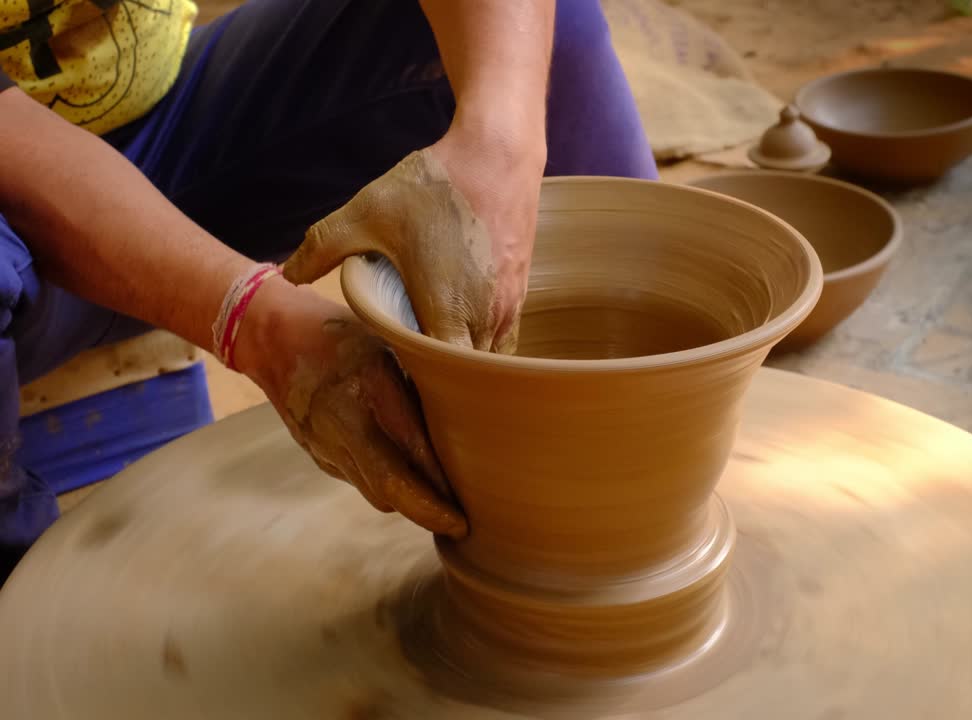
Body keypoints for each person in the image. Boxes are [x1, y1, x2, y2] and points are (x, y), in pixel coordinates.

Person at [0, 0, 658, 581]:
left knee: (527, 40)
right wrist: (253, 319)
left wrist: (501, 142)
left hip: (164, 122)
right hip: (18, 218)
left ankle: (644, 476)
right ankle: (23, 610)